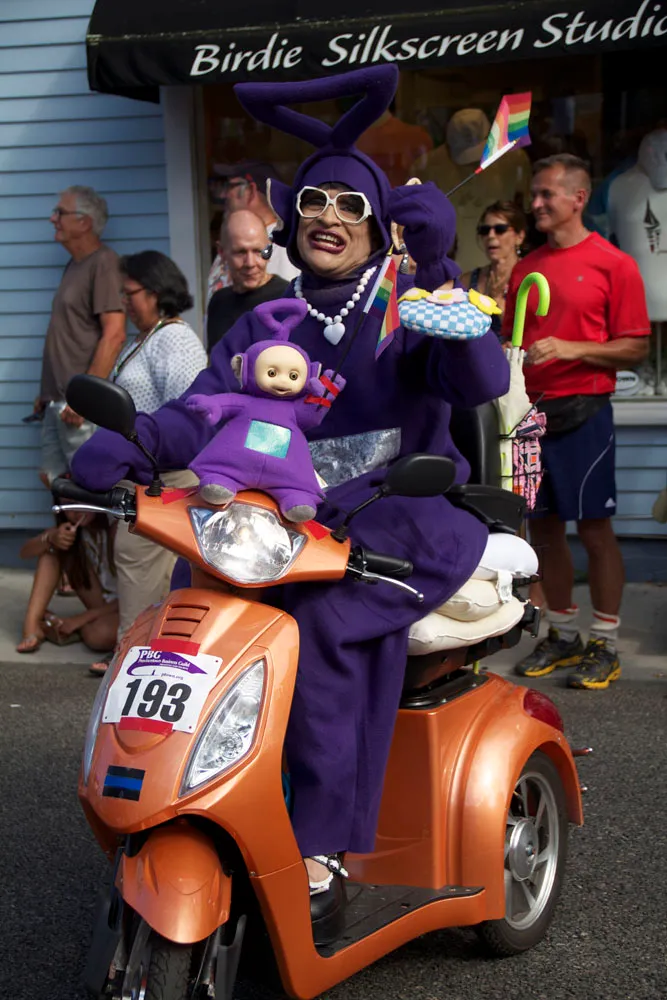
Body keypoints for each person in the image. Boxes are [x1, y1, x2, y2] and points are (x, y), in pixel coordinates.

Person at [72, 65, 510, 939]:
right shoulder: (265, 320)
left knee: (322, 624)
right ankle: (202, 792)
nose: (329, 217)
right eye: (315, 201)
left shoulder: (407, 305)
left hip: (401, 507)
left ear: (377, 222)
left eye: (351, 204)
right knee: (193, 616)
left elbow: (478, 380)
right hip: (278, 518)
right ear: (291, 219)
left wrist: (436, 265)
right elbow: (203, 408)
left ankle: (319, 845)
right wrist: (138, 443)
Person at [505, 154, 650, 690]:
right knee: (544, 528)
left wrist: (571, 348)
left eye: (546, 194)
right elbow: (512, 340)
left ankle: (605, 642)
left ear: (579, 198)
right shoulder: (526, 267)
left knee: (593, 528)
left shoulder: (615, 264)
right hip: (532, 412)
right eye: (534, 194)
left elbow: (636, 347)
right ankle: (562, 633)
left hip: (586, 410)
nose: (536, 203)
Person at [90, 251, 209, 675]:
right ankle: (137, 657)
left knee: (141, 569)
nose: (124, 302)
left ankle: (131, 665)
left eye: (130, 293)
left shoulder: (175, 339)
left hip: (164, 477)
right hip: (137, 475)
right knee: (137, 571)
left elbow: (187, 411)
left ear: (156, 292)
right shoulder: (144, 339)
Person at [36, 186, 126, 486]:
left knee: (87, 486)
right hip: (58, 401)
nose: (53, 219)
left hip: (79, 407)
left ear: (84, 222)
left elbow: (114, 334)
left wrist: (85, 400)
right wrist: (46, 392)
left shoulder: (104, 263)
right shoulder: (76, 264)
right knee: (53, 480)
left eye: (60, 213)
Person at [16, 498, 118, 655]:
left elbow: (135, 596)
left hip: (127, 606)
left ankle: (57, 625)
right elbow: (24, 553)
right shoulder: (74, 531)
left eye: (81, 501)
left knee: (98, 636)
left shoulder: (116, 528)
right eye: (69, 505)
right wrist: (50, 537)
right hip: (101, 601)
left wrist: (79, 620)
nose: (76, 511)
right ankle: (31, 628)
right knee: (51, 551)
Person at [206, 161, 299, 302]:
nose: (224, 195)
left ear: (251, 191)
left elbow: (283, 303)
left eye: (229, 186)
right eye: (240, 252)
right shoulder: (233, 239)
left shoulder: (280, 245)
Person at [206, 211, 290, 351]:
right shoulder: (218, 302)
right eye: (240, 252)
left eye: (257, 251)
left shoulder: (288, 298)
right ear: (222, 253)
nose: (250, 263)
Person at [461, 201, 527, 337]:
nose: (490, 236)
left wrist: (498, 299)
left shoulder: (530, 278)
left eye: (500, 229)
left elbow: (530, 334)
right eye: (485, 230)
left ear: (519, 236)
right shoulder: (468, 279)